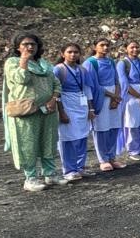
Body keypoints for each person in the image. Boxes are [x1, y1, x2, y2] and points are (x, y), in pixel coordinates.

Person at [2, 33, 63, 191]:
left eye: (33, 45)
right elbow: (21, 79)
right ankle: (30, 178)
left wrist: (53, 99)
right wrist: (24, 60)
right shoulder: (12, 62)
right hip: (27, 111)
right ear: (18, 47)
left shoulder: (45, 64)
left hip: (47, 109)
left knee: (48, 141)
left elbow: (56, 84)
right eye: (25, 44)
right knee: (28, 143)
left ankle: (50, 174)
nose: (30, 47)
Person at [54, 43, 93, 182]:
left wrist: (91, 109)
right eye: (69, 52)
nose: (73, 55)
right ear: (63, 53)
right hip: (67, 104)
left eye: (76, 52)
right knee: (68, 138)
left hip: (81, 105)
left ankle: (80, 167)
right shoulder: (58, 70)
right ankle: (69, 169)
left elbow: (87, 90)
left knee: (82, 136)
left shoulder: (82, 70)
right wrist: (61, 112)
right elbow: (56, 92)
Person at [83, 38, 123, 171]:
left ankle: (112, 156)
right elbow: (94, 85)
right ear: (95, 47)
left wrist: (116, 97)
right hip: (101, 98)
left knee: (113, 127)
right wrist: (112, 96)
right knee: (101, 129)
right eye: (102, 45)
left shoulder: (111, 61)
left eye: (107, 45)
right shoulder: (90, 63)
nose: (105, 48)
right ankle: (103, 159)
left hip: (114, 97)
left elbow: (117, 80)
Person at [118, 41, 140, 161]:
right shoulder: (122, 63)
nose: (135, 49)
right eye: (132, 47)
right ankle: (133, 150)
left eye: (137, 47)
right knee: (132, 124)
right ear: (126, 49)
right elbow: (124, 83)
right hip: (132, 95)